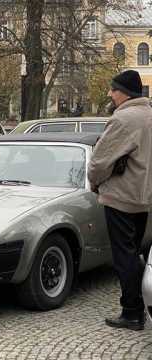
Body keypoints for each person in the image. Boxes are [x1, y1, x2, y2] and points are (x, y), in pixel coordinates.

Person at [88, 70, 152, 331]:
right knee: (135, 252)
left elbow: (100, 161)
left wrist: (95, 182)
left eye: (113, 89)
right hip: (144, 196)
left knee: (123, 255)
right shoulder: (149, 114)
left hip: (122, 196)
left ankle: (132, 311)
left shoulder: (124, 118)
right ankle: (140, 307)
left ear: (124, 92)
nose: (110, 94)